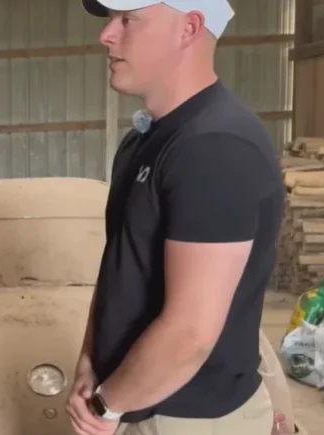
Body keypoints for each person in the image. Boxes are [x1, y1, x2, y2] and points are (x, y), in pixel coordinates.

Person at [65, 1, 284, 434]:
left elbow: (190, 333)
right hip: (134, 400)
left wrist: (108, 406)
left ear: (189, 28)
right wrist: (91, 361)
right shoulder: (143, 142)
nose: (105, 36)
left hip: (189, 420)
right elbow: (121, 267)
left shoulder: (216, 148)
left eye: (127, 20)